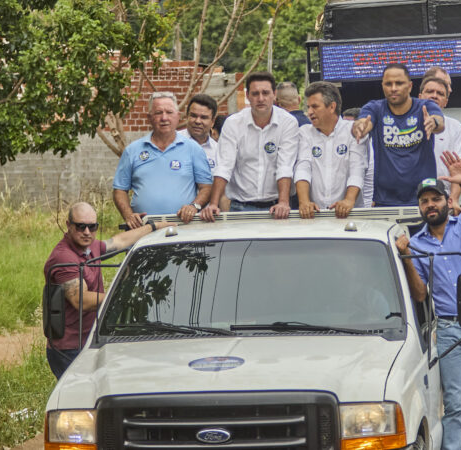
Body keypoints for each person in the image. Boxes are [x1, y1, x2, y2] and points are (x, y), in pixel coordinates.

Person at [396, 151, 461, 450]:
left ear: (447, 202)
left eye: (435, 199)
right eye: (425, 201)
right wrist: (406, 257)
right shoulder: (415, 244)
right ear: (420, 207)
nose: (430, 205)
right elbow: (420, 294)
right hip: (451, 331)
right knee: (455, 404)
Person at [43, 202, 170, 379]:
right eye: (81, 226)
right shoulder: (64, 257)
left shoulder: (90, 246)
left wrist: (153, 227)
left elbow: (120, 241)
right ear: (68, 225)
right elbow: (81, 300)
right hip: (70, 348)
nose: (87, 232)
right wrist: (123, 296)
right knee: (81, 400)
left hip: (90, 339)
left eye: (92, 227)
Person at [200, 72, 299, 220]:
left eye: (265, 93)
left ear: (274, 94)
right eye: (255, 93)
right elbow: (224, 166)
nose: (260, 98)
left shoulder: (288, 123)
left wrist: (283, 202)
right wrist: (213, 204)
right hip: (239, 207)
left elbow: (285, 166)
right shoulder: (233, 123)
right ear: (247, 96)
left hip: (277, 208)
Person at [113, 91, 212, 229]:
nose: (164, 118)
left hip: (184, 227)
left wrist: (194, 206)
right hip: (143, 228)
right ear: (149, 117)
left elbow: (206, 187)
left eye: (169, 112)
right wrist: (128, 215)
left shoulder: (193, 149)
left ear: (178, 116)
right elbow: (119, 189)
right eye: (158, 113)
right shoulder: (132, 151)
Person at [352, 63, 445, 206]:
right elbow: (364, 122)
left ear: (410, 86)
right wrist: (360, 126)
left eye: (399, 83)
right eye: (388, 84)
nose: (393, 88)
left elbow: (440, 122)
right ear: (382, 86)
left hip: (424, 199)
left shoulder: (425, 106)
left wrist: (434, 123)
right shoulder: (375, 108)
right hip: (385, 201)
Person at [294, 81, 367, 219]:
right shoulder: (304, 132)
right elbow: (303, 167)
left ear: (332, 106)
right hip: (315, 215)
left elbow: (357, 169)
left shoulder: (353, 130)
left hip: (350, 215)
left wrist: (348, 201)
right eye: (308, 107)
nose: (309, 112)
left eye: (315, 106)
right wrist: (304, 202)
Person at [419, 76, 461, 215]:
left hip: (442, 199)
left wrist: (453, 199)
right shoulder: (405, 124)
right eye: (430, 91)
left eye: (440, 94)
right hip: (411, 199)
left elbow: (459, 169)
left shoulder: (455, 127)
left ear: (446, 101)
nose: (434, 96)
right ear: (420, 96)